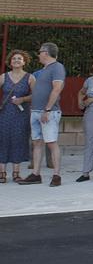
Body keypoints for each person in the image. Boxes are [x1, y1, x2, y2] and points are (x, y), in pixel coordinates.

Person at [19, 42, 66, 186]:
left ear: (46, 53)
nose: (38, 54)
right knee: (37, 143)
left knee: (51, 143)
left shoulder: (57, 67)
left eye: (40, 52)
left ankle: (56, 175)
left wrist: (47, 109)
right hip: (35, 111)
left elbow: (57, 89)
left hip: (48, 112)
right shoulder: (43, 70)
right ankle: (36, 174)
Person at [1, 50, 34, 183]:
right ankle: (2, 172)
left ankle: (16, 172)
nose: (16, 61)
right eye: (14, 59)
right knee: (2, 140)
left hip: (21, 114)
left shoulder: (30, 77)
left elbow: (36, 95)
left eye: (19, 59)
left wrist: (23, 99)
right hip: (4, 114)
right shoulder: (3, 77)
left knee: (18, 141)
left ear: (24, 62)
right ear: (10, 62)